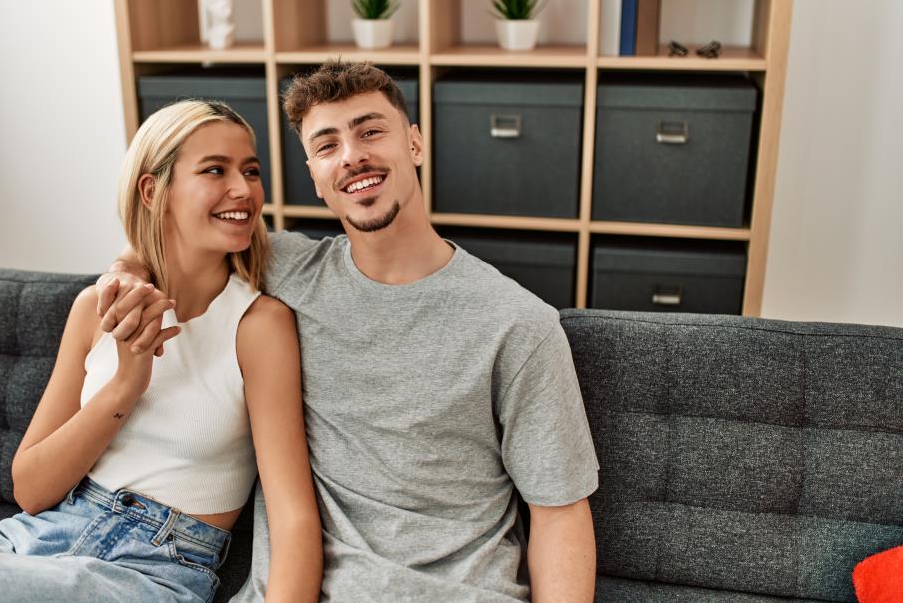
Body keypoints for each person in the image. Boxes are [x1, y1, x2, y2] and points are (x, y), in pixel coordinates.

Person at [100, 61, 599, 602]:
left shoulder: (518, 323)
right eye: (327, 144)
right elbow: (176, 236)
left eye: (370, 131)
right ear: (314, 175)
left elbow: (561, 511)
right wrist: (127, 267)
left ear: (414, 144)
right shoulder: (283, 270)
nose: (352, 156)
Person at [0, 100, 322, 603]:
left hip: (151, 569)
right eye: (215, 169)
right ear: (153, 190)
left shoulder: (258, 326)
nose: (244, 189)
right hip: (27, 543)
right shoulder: (95, 310)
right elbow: (32, 490)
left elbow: (293, 514)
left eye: (250, 171)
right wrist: (125, 384)